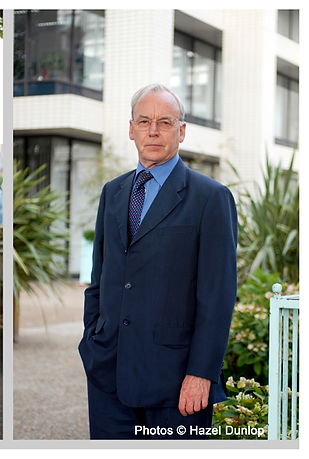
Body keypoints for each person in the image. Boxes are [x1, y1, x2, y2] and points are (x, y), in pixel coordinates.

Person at [78, 84, 237, 439]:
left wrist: (201, 374)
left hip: (177, 385)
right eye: (144, 121)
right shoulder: (113, 192)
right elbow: (100, 278)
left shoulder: (211, 198)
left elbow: (219, 296)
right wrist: (92, 341)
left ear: (181, 131)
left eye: (164, 122)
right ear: (130, 128)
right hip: (108, 375)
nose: (153, 130)